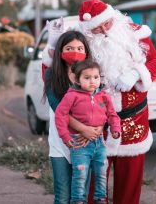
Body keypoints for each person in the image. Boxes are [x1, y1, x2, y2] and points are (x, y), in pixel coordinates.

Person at [78, 0, 156, 204]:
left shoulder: (134, 33)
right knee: (94, 187)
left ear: (112, 17)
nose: (105, 31)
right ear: (89, 31)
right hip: (96, 125)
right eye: (98, 29)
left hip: (134, 121)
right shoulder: (81, 46)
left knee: (130, 185)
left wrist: (136, 73)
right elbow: (60, 72)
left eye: (107, 24)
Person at [42, 26, 102, 204]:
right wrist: (85, 129)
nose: (74, 52)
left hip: (86, 143)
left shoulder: (91, 74)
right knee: (62, 196)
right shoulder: (51, 74)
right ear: (60, 51)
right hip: (61, 141)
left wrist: (96, 131)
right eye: (69, 48)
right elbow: (59, 109)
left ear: (86, 52)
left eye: (79, 48)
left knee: (80, 196)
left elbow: (101, 106)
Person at [54, 59, 121, 204]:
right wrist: (65, 136)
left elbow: (112, 114)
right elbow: (60, 115)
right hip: (79, 142)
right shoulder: (71, 96)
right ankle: (78, 200)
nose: (92, 81)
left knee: (102, 172)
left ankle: (100, 199)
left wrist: (115, 128)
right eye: (87, 78)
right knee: (80, 174)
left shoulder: (103, 96)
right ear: (77, 80)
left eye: (96, 77)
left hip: (99, 143)